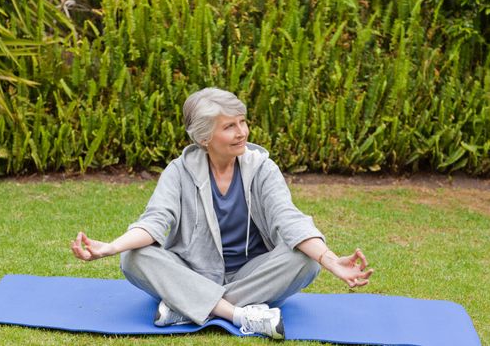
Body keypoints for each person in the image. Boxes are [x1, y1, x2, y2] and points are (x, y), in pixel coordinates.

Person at [71, 87, 374, 339]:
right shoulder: (179, 172)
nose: (242, 132)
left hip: (252, 273)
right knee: (134, 257)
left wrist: (332, 261)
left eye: (243, 122)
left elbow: (289, 220)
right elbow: (154, 222)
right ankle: (240, 315)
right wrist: (110, 247)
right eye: (230, 126)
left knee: (305, 260)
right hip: (193, 270)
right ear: (204, 138)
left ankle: (185, 305)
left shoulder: (262, 169)